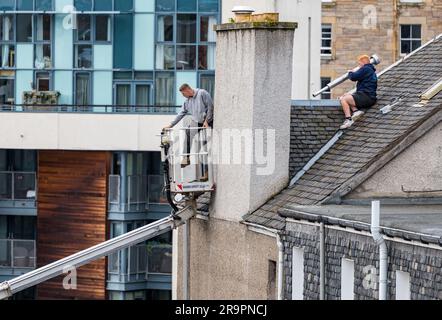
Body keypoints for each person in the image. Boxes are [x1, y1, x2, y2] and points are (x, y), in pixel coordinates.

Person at [163, 84, 214, 169]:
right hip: (197, 121)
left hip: (208, 121)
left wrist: (207, 121)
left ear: (188, 90)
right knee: (188, 133)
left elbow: (210, 107)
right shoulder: (187, 101)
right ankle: (186, 158)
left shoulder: (202, 93)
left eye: (183, 94)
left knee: (205, 145)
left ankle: (206, 171)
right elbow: (181, 114)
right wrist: (171, 125)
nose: (183, 96)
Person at [339, 54, 378, 129]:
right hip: (368, 97)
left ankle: (348, 119)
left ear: (363, 62)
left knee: (343, 99)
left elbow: (354, 77)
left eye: (359, 64)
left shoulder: (366, 69)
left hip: (366, 97)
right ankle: (356, 111)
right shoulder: (370, 70)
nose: (359, 66)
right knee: (345, 96)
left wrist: (350, 72)